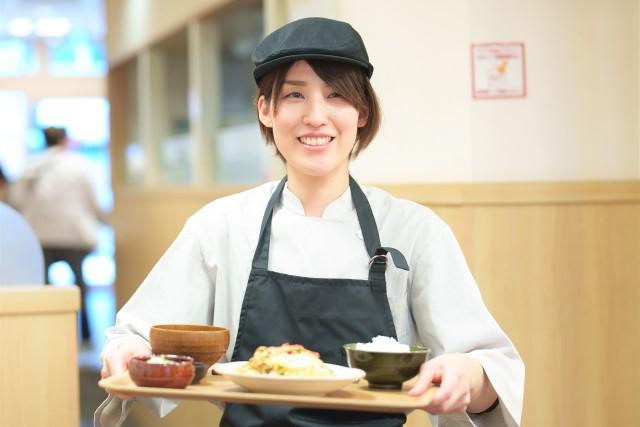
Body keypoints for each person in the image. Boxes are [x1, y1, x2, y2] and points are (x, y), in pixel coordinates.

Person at [97, 17, 524, 427]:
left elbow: (489, 371)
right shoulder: (222, 225)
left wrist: (464, 375)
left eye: (336, 95)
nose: (316, 116)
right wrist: (129, 349)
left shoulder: (414, 230)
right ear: (265, 110)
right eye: (295, 95)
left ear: (361, 112)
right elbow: (137, 337)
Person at [7, 126, 105, 340]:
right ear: (64, 139)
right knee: (79, 285)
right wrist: (101, 219)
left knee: (42, 288)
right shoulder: (78, 164)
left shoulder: (30, 165)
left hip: (40, 235)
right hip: (73, 235)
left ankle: (45, 333)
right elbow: (92, 201)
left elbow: (15, 199)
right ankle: (86, 334)